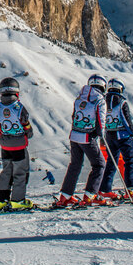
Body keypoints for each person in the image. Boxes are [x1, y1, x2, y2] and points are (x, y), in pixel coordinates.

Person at [54, 75, 110, 208]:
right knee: (99, 164)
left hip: (74, 135)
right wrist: (101, 136)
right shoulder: (100, 100)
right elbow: (101, 120)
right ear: (103, 87)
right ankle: (91, 195)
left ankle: (65, 196)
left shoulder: (79, 98)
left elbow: (74, 116)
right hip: (87, 137)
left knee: (75, 165)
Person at [98, 78, 133, 199]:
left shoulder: (103, 101)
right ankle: (131, 189)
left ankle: (105, 189)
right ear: (120, 88)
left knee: (111, 162)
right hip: (123, 136)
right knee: (130, 161)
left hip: (109, 136)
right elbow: (126, 120)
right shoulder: (121, 102)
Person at [0, 76, 34, 211]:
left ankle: (1, 200)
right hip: (19, 145)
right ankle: (18, 200)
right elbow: (26, 125)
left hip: (5, 146)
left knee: (6, 172)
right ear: (16, 92)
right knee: (20, 173)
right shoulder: (19, 107)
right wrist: (28, 132)